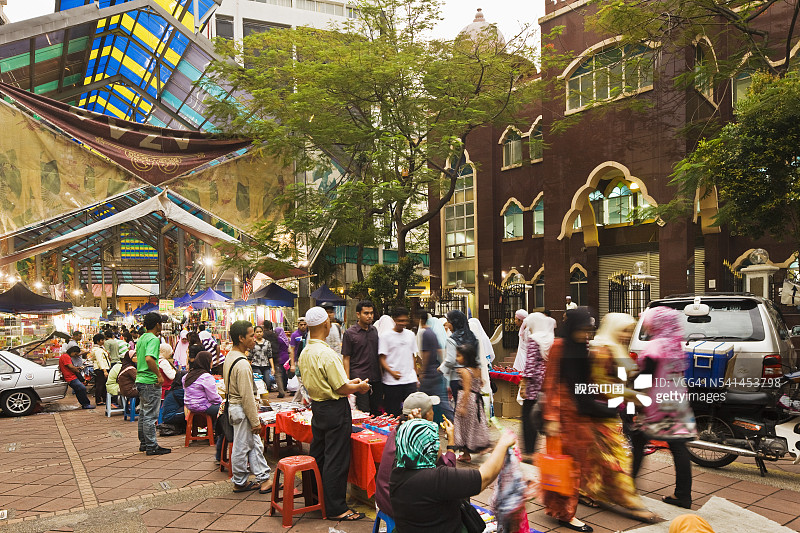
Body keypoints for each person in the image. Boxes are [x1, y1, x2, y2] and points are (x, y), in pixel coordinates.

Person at [579, 313, 658, 522]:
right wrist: (634, 396)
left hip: (609, 412)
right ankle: (630, 502)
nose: (627, 335)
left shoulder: (613, 347)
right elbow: (601, 384)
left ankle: (587, 491)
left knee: (598, 458)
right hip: (599, 413)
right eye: (625, 330)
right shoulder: (603, 350)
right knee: (618, 458)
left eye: (630, 331)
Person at [298, 306, 371, 521]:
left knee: (319, 456)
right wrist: (359, 387)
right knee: (336, 460)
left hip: (318, 409)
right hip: (335, 409)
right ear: (325, 325)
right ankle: (336, 508)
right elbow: (340, 388)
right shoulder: (327, 353)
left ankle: (315, 500)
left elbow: (332, 383)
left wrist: (351, 383)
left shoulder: (306, 352)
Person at [389, 417, 518, 533]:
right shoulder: (435, 479)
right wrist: (503, 444)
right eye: (436, 442)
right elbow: (484, 477)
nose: (439, 447)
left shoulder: (397, 472)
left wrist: (448, 440)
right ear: (429, 447)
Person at [629, 307, 696, 509]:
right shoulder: (675, 344)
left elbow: (645, 377)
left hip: (657, 401)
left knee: (639, 440)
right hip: (677, 399)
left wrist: (631, 393)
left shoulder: (655, 346)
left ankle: (628, 486)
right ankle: (683, 495)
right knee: (678, 446)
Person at [541, 308, 595, 532]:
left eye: (589, 330)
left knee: (571, 466)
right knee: (566, 467)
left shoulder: (582, 348)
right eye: (583, 330)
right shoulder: (559, 346)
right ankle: (566, 514)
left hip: (578, 417)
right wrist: (552, 418)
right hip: (562, 416)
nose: (586, 335)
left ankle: (557, 508)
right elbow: (551, 381)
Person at [375, 391, 451, 519]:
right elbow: (448, 471)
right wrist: (452, 443)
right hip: (399, 505)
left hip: (384, 498)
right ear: (427, 415)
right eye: (432, 410)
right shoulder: (420, 440)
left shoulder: (396, 431)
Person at [223, 320, 272, 493]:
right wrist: (254, 420)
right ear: (241, 338)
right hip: (241, 409)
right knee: (242, 446)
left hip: (235, 408)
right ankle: (240, 480)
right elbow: (247, 397)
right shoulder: (243, 364)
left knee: (253, 444)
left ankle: (262, 477)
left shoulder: (230, 356)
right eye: (251, 335)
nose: (255, 338)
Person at [519, 312, 553, 462]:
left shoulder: (534, 340)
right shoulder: (550, 339)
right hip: (546, 384)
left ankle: (529, 452)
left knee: (528, 419)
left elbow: (530, 365)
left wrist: (523, 384)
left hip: (533, 386)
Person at [136, 312, 170, 456]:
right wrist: (158, 375)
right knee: (150, 416)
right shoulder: (154, 339)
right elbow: (149, 359)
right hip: (150, 381)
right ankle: (151, 446)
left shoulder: (141, 338)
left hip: (141, 379)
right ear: (157, 325)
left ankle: (144, 443)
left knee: (144, 414)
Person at [184, 351, 224, 461]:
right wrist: (223, 402)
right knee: (223, 410)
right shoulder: (206, 377)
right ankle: (217, 434)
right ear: (207, 362)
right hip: (202, 406)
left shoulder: (188, 375)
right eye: (211, 361)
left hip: (189, 406)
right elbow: (214, 398)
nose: (212, 364)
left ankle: (213, 431)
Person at [341, 300, 381, 413]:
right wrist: (347, 381)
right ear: (358, 314)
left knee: (376, 412)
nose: (369, 316)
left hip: (376, 378)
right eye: (366, 313)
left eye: (371, 313)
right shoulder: (349, 333)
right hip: (359, 379)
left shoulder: (374, 331)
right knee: (363, 412)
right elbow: (346, 358)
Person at [453, 343, 490, 462]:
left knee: (463, 427)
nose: (456, 358)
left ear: (466, 357)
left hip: (466, 400)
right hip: (476, 401)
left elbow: (467, 389)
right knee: (474, 425)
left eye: (458, 356)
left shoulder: (464, 371)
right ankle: (480, 447)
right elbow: (480, 383)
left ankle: (465, 454)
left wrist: (463, 406)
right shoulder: (477, 369)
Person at [379, 307, 419, 416]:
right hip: (392, 382)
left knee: (412, 413)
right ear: (394, 320)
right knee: (393, 414)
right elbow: (381, 359)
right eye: (400, 321)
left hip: (409, 380)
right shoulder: (385, 337)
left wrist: (416, 376)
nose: (403, 323)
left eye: (405, 320)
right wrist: (391, 372)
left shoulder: (410, 335)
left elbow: (413, 356)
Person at [416, 310, 452, 423]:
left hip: (429, 374)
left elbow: (426, 355)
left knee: (422, 400)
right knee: (442, 401)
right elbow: (440, 351)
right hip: (436, 371)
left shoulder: (425, 333)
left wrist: (422, 371)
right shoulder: (433, 333)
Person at [440, 310, 478, 406]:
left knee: (460, 405)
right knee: (472, 405)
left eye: (449, 322)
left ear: (454, 322)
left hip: (458, 377)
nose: (448, 325)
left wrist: (441, 369)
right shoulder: (472, 336)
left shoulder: (452, 339)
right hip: (473, 376)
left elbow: (450, 360)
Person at [159, 370, 187, 437]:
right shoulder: (180, 391)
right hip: (171, 416)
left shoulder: (174, 389)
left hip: (167, 416)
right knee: (192, 408)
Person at [263, 321, 284, 396]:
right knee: (277, 374)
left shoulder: (263, 335)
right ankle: (281, 391)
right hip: (275, 356)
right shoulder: (274, 335)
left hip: (265, 357)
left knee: (265, 373)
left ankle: (265, 391)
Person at [89, 333, 110, 406]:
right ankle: (98, 400)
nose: (103, 341)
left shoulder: (100, 349)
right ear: (98, 341)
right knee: (100, 385)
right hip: (100, 369)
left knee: (103, 385)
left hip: (103, 368)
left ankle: (104, 399)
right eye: (102, 340)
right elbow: (100, 360)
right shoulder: (97, 350)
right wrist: (104, 370)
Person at [274, 326, 290, 397]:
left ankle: (282, 388)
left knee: (279, 373)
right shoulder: (285, 338)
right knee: (285, 373)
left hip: (280, 357)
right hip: (286, 356)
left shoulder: (278, 339)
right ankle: (285, 386)